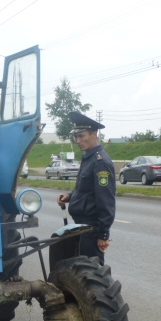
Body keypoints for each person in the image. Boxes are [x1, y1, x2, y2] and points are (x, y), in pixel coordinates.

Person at [56, 111, 116, 265]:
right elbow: (85, 189)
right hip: (81, 226)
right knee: (80, 269)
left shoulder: (100, 161)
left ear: (94, 134)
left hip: (91, 229)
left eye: (82, 136)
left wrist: (103, 234)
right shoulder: (87, 157)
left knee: (92, 269)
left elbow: (106, 199)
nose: (78, 140)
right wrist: (69, 197)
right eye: (76, 136)